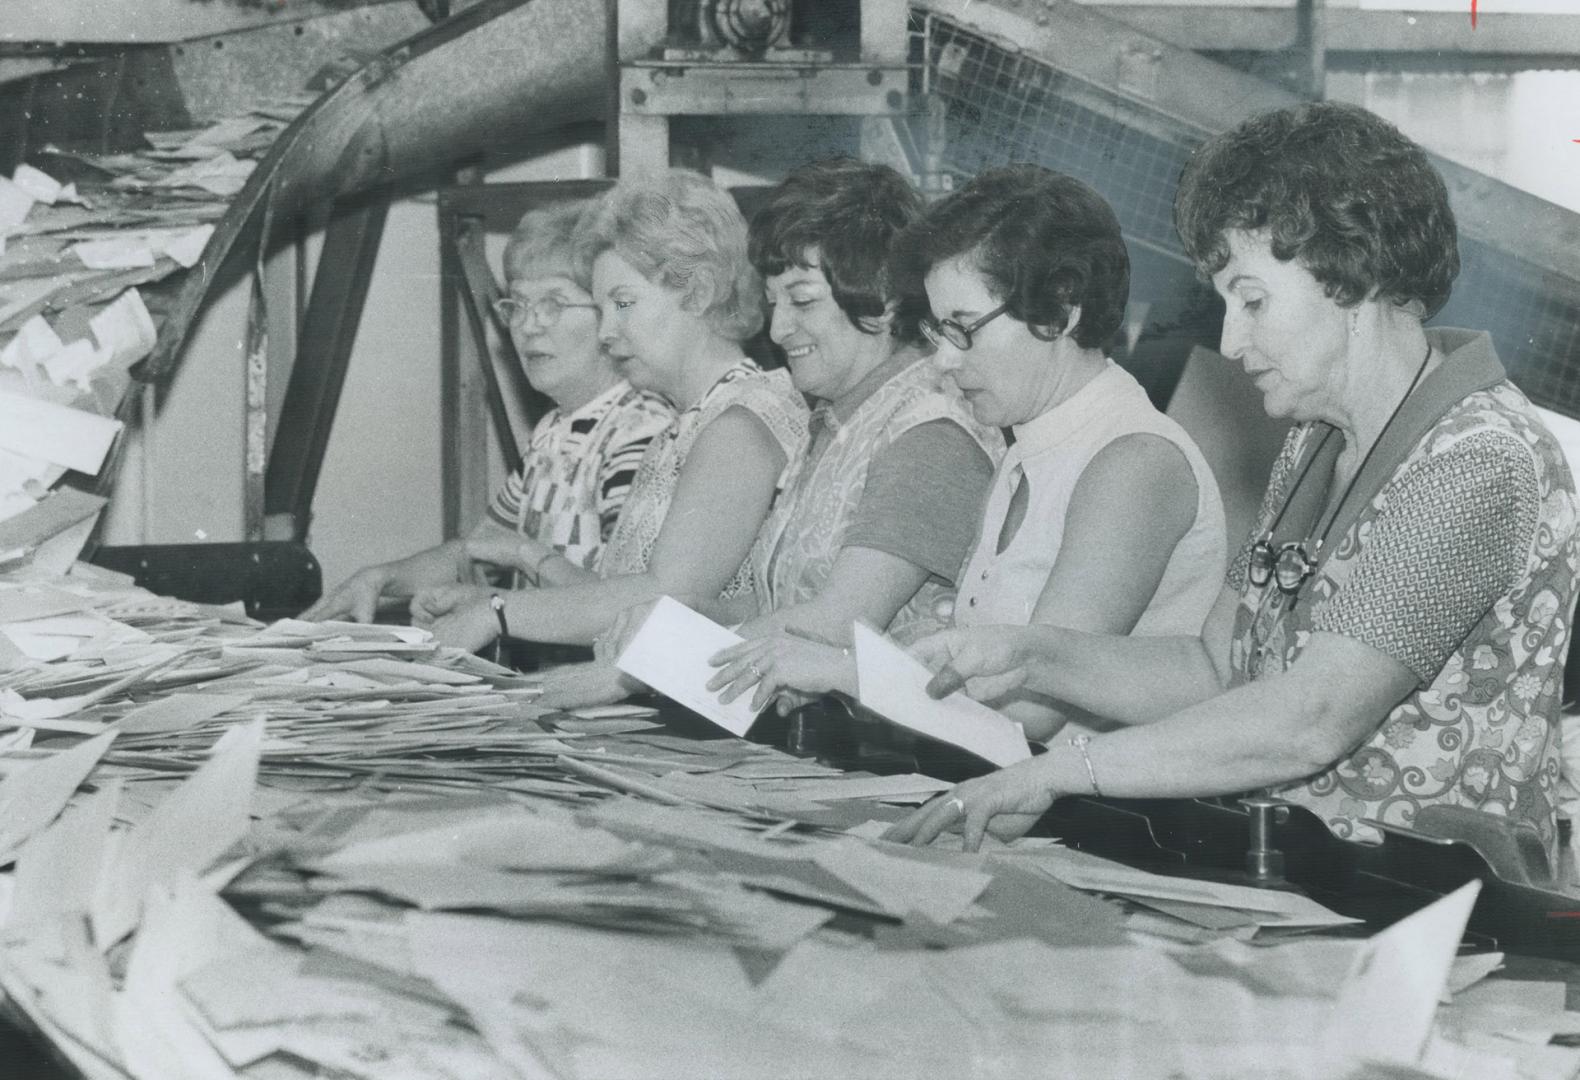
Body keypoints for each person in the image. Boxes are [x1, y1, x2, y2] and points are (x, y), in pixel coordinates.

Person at [888, 102, 1580, 861]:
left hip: (1438, 914)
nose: (1229, 340)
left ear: (1352, 275)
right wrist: (1030, 656)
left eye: (1252, 301)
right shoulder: (1314, 444)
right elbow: (1215, 665)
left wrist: (1066, 771)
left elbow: (1312, 715)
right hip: (1308, 883)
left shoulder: (1473, 459)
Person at [711, 164, 1225, 742]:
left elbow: (1033, 708)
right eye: (938, 332)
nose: (945, 361)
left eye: (964, 328)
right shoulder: (1028, 446)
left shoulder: (1133, 463)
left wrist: (845, 673)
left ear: (1059, 309)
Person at [592, 158, 997, 716]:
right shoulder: (836, 420)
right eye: (774, 302)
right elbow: (784, 601)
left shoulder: (929, 433)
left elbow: (836, 624)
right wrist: (691, 616)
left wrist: (639, 669)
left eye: (803, 300)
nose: (778, 329)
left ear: (882, 295)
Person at [411, 170, 808, 653]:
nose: (605, 333)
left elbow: (664, 600)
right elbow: (613, 594)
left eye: (623, 303)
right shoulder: (692, 420)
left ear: (699, 292)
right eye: (601, 309)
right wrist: (486, 599)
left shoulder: (739, 425)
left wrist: (498, 612)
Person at [302, 200, 672, 624]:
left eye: (553, 303)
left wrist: (508, 578)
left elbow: (628, 607)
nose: (529, 326)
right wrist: (382, 579)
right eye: (517, 305)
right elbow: (479, 547)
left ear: (611, 316)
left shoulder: (640, 433)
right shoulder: (553, 432)